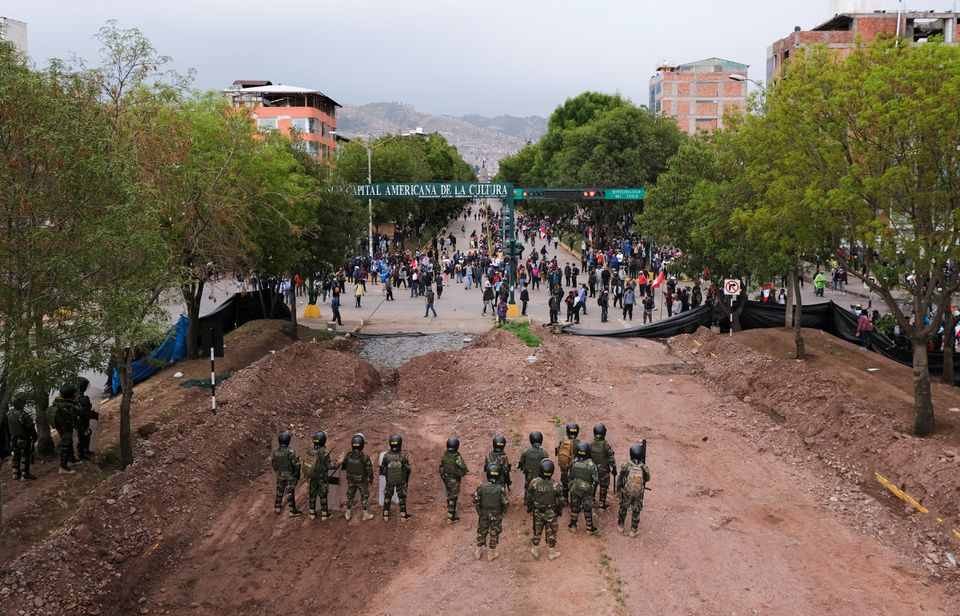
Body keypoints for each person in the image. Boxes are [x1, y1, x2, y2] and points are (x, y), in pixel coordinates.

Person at [529, 459, 564, 560]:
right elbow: (560, 501)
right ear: (552, 472)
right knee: (552, 531)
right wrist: (558, 512)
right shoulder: (556, 486)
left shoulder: (534, 482)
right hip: (551, 513)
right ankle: (551, 552)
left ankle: (535, 549)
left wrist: (531, 508)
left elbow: (529, 497)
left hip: (537, 512)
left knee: (537, 530)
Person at [474, 464, 509, 562]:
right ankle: (491, 554)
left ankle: (478, 551)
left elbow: (476, 500)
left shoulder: (481, 486)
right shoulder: (500, 488)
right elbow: (505, 503)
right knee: (494, 533)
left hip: (484, 513)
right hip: (496, 514)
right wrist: (502, 514)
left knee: (482, 531)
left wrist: (480, 513)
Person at [617, 442, 651, 538]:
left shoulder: (626, 465)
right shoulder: (644, 467)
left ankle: (620, 525)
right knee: (636, 510)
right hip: (639, 493)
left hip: (626, 491)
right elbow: (648, 478)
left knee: (623, 507)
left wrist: (619, 489)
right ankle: (633, 530)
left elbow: (620, 478)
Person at [341, 434, 375, 521]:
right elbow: (369, 470)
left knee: (350, 496)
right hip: (362, 481)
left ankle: (347, 513)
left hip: (351, 480)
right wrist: (370, 479)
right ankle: (365, 514)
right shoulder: (365, 457)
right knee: (364, 496)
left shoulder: (348, 455)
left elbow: (344, 466)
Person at [567, 442, 599, 533]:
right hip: (587, 491)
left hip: (576, 489)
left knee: (575, 507)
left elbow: (569, 476)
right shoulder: (591, 464)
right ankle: (589, 528)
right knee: (587, 508)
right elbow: (596, 479)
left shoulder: (573, 462)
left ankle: (573, 526)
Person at [380, 434, 412, 521]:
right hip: (400, 480)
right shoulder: (403, 456)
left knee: (388, 496)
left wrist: (388, 475)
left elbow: (382, 469)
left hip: (389, 480)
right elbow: (408, 469)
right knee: (401, 497)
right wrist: (405, 479)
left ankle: (385, 515)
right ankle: (403, 516)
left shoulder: (386, 456)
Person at [7, 393, 37, 481]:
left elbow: (7, 428)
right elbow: (30, 428)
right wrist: (34, 436)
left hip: (13, 438)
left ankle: (15, 473)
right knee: (25, 455)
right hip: (23, 439)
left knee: (16, 455)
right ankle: (25, 474)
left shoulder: (9, 413)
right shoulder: (23, 415)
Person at [271, 431, 303, 516]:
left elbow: (274, 464)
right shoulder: (290, 451)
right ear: (288, 441)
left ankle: (277, 507)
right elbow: (296, 464)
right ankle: (292, 511)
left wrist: (278, 471)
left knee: (280, 490)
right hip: (290, 475)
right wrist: (297, 474)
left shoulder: (275, 452)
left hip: (280, 474)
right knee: (290, 492)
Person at [304, 431, 333, 521]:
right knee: (323, 495)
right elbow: (329, 465)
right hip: (322, 478)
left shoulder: (309, 450)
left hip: (312, 476)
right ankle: (325, 514)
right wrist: (336, 463)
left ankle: (312, 513)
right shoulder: (324, 452)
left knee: (312, 494)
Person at [439, 437, 469, 523]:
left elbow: (441, 466)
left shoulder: (444, 454)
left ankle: (450, 510)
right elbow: (464, 468)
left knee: (449, 494)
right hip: (454, 479)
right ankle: (450, 516)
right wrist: (461, 473)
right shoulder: (457, 457)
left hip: (446, 478)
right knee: (453, 496)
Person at [51, 384, 79, 475]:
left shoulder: (58, 401)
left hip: (61, 425)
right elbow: (77, 412)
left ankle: (72, 458)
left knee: (69, 441)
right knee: (66, 443)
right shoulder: (67, 405)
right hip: (64, 426)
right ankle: (63, 467)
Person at [517, 431, 548, 513]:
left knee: (528, 487)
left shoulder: (526, 451)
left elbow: (521, 462)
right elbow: (546, 464)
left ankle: (527, 502)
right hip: (539, 475)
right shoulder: (543, 453)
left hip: (529, 475)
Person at [588, 424, 617, 509]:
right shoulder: (605, 445)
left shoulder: (591, 444)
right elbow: (611, 458)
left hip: (593, 468)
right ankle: (602, 503)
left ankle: (592, 500)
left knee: (593, 484)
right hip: (604, 469)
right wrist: (614, 469)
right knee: (603, 486)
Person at [555, 423, 581, 500]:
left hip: (564, 467)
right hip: (574, 468)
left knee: (565, 483)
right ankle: (574, 501)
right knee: (573, 484)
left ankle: (565, 498)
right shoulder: (579, 443)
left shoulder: (563, 440)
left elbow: (558, 451)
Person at [75, 377, 98, 460]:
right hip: (82, 420)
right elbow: (84, 412)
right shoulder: (82, 398)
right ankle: (82, 454)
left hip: (81, 420)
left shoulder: (78, 396)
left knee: (87, 433)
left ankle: (85, 451)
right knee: (83, 436)